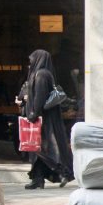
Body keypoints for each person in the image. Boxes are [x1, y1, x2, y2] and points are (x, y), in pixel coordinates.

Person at [18, 50, 73, 189]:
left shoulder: (41, 75)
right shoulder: (40, 74)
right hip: (41, 119)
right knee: (36, 149)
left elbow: (40, 97)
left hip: (43, 120)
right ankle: (38, 179)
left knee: (42, 150)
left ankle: (63, 171)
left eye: (32, 60)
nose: (30, 63)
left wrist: (33, 113)